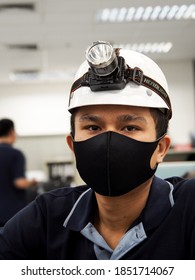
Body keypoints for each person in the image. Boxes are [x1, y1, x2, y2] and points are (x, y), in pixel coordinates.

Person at [0, 41, 195, 260]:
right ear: (73, 146)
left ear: (160, 148)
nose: (108, 141)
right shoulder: (45, 218)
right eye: (93, 127)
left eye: (130, 127)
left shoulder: (189, 208)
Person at [0, 118, 37, 226]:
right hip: (12, 212)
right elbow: (19, 182)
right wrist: (32, 182)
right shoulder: (16, 154)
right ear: (12, 132)